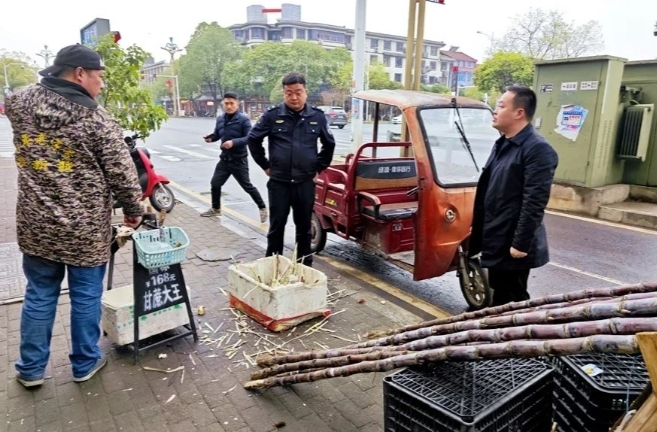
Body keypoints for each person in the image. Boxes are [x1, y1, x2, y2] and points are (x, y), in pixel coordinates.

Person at [4, 44, 143, 387]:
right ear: (79, 73)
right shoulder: (95, 118)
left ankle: (31, 369)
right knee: (84, 296)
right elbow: (123, 173)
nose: (102, 84)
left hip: (36, 223)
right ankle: (84, 363)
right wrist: (134, 210)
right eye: (99, 76)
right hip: (84, 228)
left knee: (39, 294)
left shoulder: (19, 102)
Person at [469, 85, 559, 307]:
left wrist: (520, 244)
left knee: (513, 300)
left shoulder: (537, 149)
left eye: (501, 106)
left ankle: (516, 338)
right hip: (497, 234)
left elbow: (534, 202)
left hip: (512, 243)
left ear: (519, 113)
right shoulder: (504, 143)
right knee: (500, 294)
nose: (495, 111)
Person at [247, 72, 335, 267]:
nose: (294, 97)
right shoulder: (272, 116)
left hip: (305, 183)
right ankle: (273, 267)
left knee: (304, 228)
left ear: (305, 92)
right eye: (289, 93)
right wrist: (266, 165)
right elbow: (253, 139)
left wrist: (318, 168)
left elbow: (329, 145)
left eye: (298, 92)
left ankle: (304, 268)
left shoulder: (317, 117)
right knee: (277, 227)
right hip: (279, 183)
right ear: (283, 93)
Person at [201, 92, 267, 222]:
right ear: (223, 104)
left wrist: (233, 142)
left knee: (247, 186)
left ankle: (262, 208)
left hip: (238, 160)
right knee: (215, 184)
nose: (229, 106)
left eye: (231, 103)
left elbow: (250, 138)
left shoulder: (243, 119)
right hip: (225, 159)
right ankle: (216, 208)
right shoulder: (220, 119)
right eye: (226, 103)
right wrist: (211, 138)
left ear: (237, 104)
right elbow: (218, 134)